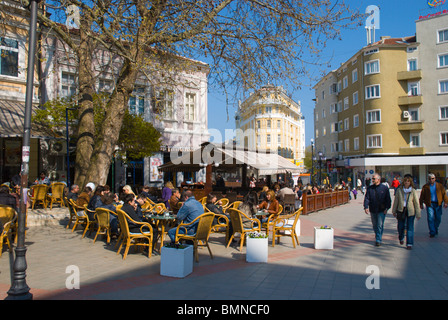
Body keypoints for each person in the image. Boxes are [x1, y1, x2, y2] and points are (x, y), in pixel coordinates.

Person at [392, 176, 421, 249]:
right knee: (400, 226)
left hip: (410, 211)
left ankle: (409, 243)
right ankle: (401, 237)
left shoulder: (413, 191)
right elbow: (396, 201)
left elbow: (416, 203)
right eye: (405, 181)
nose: (406, 182)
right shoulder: (399, 190)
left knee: (410, 227)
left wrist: (418, 213)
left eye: (408, 181)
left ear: (410, 182)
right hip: (401, 210)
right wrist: (394, 211)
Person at [363, 173, 391, 246]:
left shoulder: (384, 188)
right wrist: (366, 207)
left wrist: (387, 208)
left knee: (379, 225)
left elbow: (388, 199)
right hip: (373, 209)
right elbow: (367, 198)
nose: (372, 180)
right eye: (372, 179)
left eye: (374, 179)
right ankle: (377, 234)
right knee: (375, 225)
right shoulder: (370, 188)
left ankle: (378, 239)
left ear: (378, 179)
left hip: (381, 210)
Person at [419, 173, 448, 238]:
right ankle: (432, 232)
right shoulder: (425, 187)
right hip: (429, 204)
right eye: (430, 179)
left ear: (435, 179)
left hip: (438, 204)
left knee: (438, 218)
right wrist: (421, 203)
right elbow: (422, 196)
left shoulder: (439, 186)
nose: (431, 180)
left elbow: (444, 194)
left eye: (433, 178)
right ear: (428, 179)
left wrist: (446, 202)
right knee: (430, 218)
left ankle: (435, 228)